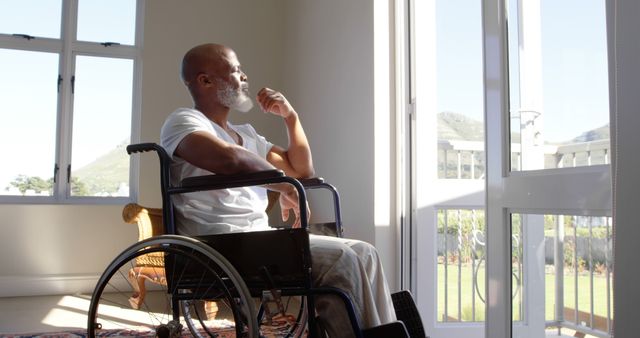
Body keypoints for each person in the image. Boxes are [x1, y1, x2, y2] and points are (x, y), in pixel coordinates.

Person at [160, 43, 396, 337]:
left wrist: (290, 117)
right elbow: (229, 159)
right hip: (218, 243)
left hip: (259, 240)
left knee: (365, 252)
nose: (244, 77)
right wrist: (283, 184)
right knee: (341, 260)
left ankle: (381, 333)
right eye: (235, 70)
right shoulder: (184, 121)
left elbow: (301, 170)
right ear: (205, 80)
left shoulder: (246, 134)